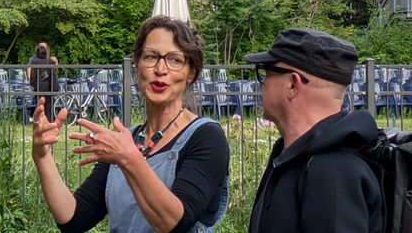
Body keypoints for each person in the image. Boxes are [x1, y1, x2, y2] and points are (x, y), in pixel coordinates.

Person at [32, 16, 229, 233]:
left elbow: (174, 223)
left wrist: (128, 159)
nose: (160, 69)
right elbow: (74, 219)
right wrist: (42, 157)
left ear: (191, 73)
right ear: (137, 65)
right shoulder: (125, 143)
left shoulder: (206, 137)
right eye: (151, 57)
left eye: (174, 60)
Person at [246, 28, 382, 233]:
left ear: (292, 84)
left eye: (266, 73)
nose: (261, 84)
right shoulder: (293, 157)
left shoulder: (332, 171)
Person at [28, 42, 59, 122]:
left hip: (39, 86)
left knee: (40, 104)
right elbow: (55, 69)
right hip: (49, 86)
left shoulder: (34, 61)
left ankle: (40, 119)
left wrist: (32, 84)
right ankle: (50, 120)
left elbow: (33, 74)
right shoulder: (49, 61)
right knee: (49, 105)